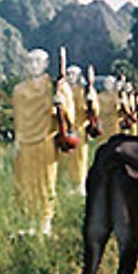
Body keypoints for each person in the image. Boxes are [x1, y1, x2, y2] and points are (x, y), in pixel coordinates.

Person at [12, 48, 73, 236]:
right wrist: (16, 140)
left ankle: (45, 222)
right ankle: (29, 221)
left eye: (38, 61)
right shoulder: (19, 90)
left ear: (46, 64)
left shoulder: (55, 87)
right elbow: (18, 119)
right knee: (25, 183)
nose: (34, 65)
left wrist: (60, 104)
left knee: (46, 182)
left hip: (45, 140)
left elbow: (70, 117)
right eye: (30, 61)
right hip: (24, 143)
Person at [59, 65, 89, 195]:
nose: (71, 77)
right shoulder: (63, 90)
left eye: (73, 74)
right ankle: (66, 184)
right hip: (65, 129)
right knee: (65, 158)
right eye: (69, 74)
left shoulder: (83, 91)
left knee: (80, 158)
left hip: (80, 128)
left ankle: (80, 183)